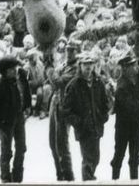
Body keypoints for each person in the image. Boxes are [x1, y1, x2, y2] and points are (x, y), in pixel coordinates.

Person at [63, 52, 110, 181]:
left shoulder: (98, 82)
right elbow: (66, 111)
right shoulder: (74, 85)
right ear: (80, 66)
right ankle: (88, 180)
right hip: (84, 129)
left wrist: (103, 116)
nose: (88, 67)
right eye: (85, 64)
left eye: (91, 64)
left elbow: (106, 102)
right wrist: (79, 122)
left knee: (95, 157)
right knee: (88, 159)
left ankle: (90, 177)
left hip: (96, 126)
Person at [0, 55, 31, 183]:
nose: (15, 70)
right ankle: (6, 178)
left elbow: (26, 92)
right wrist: (0, 126)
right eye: (12, 68)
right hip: (5, 122)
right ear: (5, 71)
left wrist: (27, 107)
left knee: (21, 148)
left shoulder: (18, 79)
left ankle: (17, 177)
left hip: (18, 118)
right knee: (6, 152)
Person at [110, 51, 139, 180]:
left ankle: (133, 181)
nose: (137, 67)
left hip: (134, 126)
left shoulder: (134, 82)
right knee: (119, 156)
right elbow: (132, 106)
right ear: (126, 68)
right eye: (133, 65)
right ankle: (115, 180)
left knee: (135, 158)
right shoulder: (122, 86)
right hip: (123, 128)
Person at [48, 40, 79, 181]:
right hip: (56, 102)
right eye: (67, 50)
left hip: (64, 106)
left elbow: (58, 81)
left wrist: (49, 69)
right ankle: (60, 173)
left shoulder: (76, 67)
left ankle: (67, 175)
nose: (69, 52)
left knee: (61, 143)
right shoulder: (64, 64)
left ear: (77, 51)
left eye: (72, 50)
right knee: (53, 142)